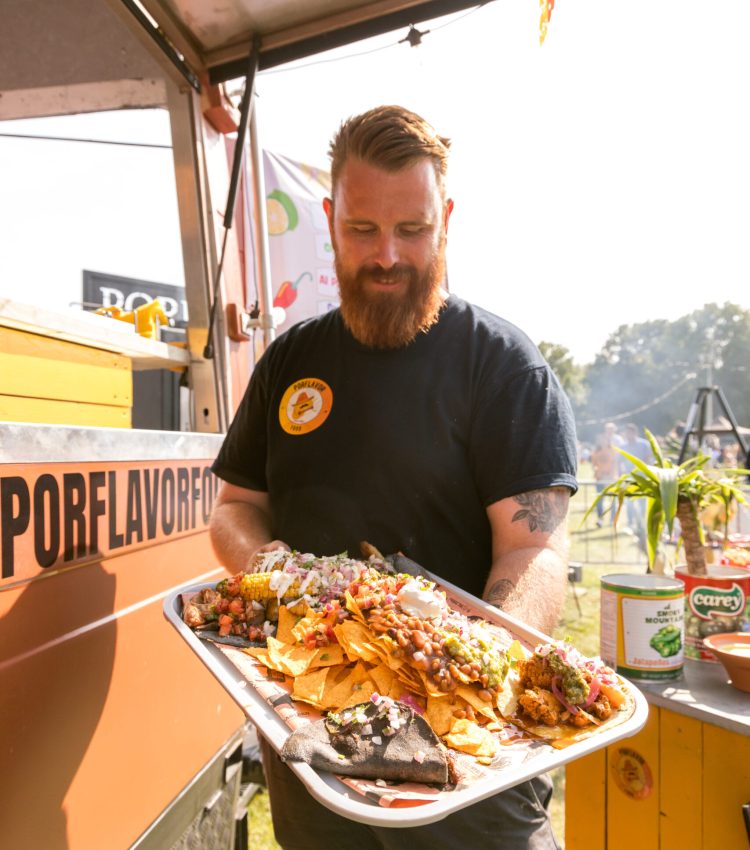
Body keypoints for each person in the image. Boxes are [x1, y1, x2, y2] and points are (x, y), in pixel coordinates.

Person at [209, 105, 578, 850]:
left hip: (463, 756)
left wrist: (460, 664)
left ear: (444, 219)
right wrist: (276, 570)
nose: (387, 256)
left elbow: (533, 550)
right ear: (329, 218)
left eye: (411, 230)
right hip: (311, 736)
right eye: (362, 231)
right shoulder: (290, 361)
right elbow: (236, 507)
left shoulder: (501, 366)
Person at [618, 423, 652, 537]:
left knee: (642, 501)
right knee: (629, 502)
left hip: (642, 478)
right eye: (627, 432)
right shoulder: (623, 446)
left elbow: (648, 460)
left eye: (630, 432)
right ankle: (630, 524)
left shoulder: (644, 445)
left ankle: (642, 523)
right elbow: (620, 462)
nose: (628, 435)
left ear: (635, 433)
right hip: (629, 478)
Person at [591, 431, 618, 526]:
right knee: (599, 500)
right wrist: (597, 471)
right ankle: (600, 519)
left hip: (610, 478)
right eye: (601, 440)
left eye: (604, 440)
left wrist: (610, 475)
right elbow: (593, 464)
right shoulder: (595, 452)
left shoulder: (613, 450)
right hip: (599, 478)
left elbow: (615, 464)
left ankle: (613, 520)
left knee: (613, 500)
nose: (602, 442)